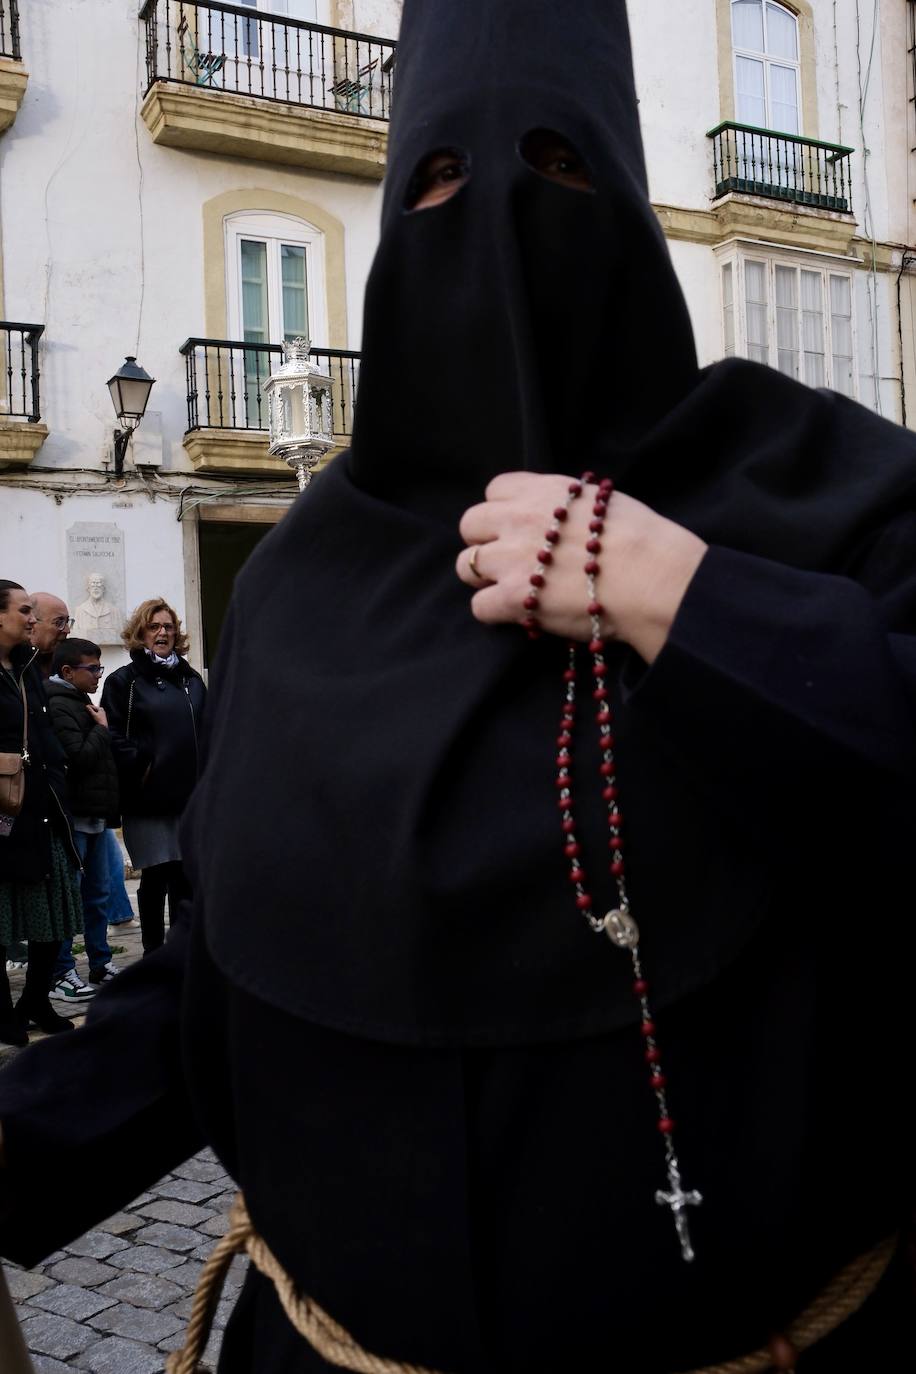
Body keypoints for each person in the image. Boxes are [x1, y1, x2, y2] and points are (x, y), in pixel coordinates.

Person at [0, 2, 915, 1370]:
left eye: (556, 166)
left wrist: (681, 593)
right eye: (435, 181)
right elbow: (236, 964)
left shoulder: (809, 486)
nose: (489, 222)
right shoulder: (309, 575)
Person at [100, 599, 205, 955]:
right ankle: (152, 953)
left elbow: (206, 729)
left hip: (189, 796)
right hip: (149, 797)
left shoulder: (190, 679)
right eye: (155, 627)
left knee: (183, 878)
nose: (163, 633)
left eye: (169, 627)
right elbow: (113, 734)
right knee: (156, 877)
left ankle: (177, 953)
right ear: (140, 633)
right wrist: (143, 766)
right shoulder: (124, 681)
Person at [0, 583, 80, 1047]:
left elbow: (45, 729)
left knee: (54, 908)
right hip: (3, 807)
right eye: (24, 611)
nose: (32, 619)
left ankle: (34, 1000)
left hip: (42, 804)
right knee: (2, 910)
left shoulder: (28, 666)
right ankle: (2, 1010)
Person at [45, 638, 121, 1002]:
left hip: (95, 817)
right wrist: (101, 729)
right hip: (73, 819)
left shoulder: (80, 703)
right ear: (67, 672)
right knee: (70, 899)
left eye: (99, 667)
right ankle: (62, 971)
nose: (98, 675)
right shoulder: (59, 704)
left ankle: (100, 963)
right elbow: (78, 757)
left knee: (98, 895)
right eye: (92, 669)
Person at [28, 593, 73, 682]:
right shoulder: (14, 666)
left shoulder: (68, 664)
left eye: (67, 621)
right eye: (59, 622)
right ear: (33, 623)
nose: (67, 630)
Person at [72, 573, 119, 642]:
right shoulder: (80, 610)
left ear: (104, 589)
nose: (96, 588)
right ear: (88, 589)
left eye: (99, 585)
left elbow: (120, 634)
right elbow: (75, 636)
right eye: (93, 585)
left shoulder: (114, 611)